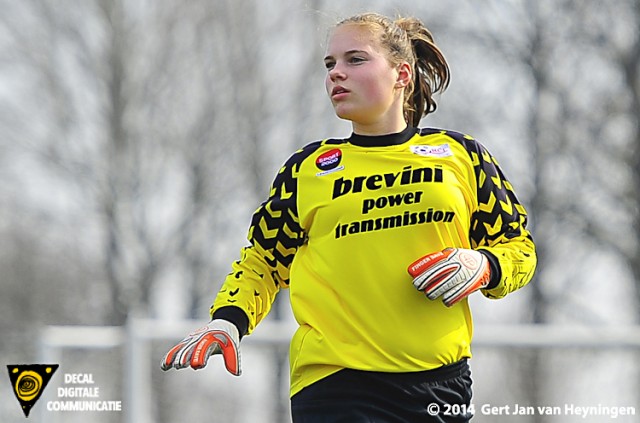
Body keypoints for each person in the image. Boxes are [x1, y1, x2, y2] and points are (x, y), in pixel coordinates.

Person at [161, 12, 537, 423]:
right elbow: (264, 261)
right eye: (330, 64)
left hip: (440, 384)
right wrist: (227, 322)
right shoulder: (308, 168)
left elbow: (519, 248)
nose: (336, 74)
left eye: (355, 60)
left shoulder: (462, 156)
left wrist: (485, 264)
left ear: (401, 74)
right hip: (335, 383)